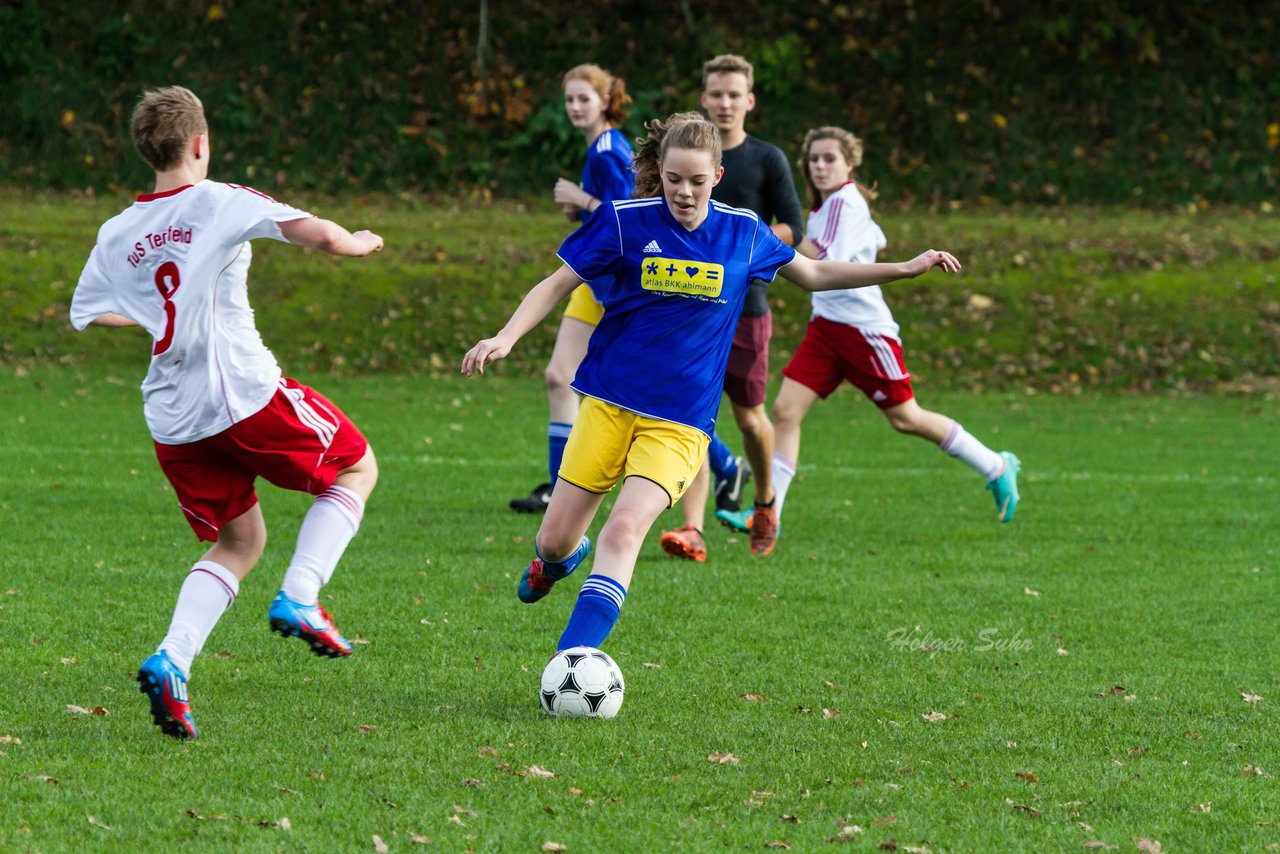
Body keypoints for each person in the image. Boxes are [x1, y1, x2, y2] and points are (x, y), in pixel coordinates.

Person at [462, 112, 960, 657]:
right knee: (554, 540)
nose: (684, 191)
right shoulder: (626, 222)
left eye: (697, 181)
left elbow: (815, 273)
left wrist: (905, 268)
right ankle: (553, 561)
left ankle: (571, 660)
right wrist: (506, 336)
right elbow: (557, 282)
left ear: (717, 177)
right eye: (674, 178)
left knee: (624, 530)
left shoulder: (743, 233)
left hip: (679, 423)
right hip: (607, 404)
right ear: (661, 170)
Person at [69, 86, 384, 739]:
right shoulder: (219, 199)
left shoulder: (117, 231)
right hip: (240, 394)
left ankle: (172, 660)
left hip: (173, 421)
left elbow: (90, 312)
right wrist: (357, 242)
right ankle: (301, 593)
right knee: (356, 467)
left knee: (240, 540)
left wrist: (160, 319)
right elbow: (317, 235)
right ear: (200, 143)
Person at [717, 126, 1019, 547]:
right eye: (814, 160)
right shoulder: (825, 208)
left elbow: (826, 263)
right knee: (785, 411)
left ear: (849, 164)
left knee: (906, 418)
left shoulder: (845, 201)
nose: (820, 167)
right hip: (826, 330)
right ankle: (770, 515)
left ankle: (997, 466)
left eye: (829, 159)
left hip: (863, 331)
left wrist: (765, 238)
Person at [658, 54, 805, 562]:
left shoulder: (767, 159)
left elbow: (794, 230)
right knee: (691, 414)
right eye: (715, 94)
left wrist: (740, 252)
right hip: (688, 309)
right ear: (703, 98)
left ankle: (764, 500)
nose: (724, 102)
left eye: (733, 94)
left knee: (748, 420)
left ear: (749, 100)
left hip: (746, 308)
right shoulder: (686, 159)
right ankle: (692, 527)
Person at [510, 64, 636, 513]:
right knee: (558, 377)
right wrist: (580, 214)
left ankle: (720, 461)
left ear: (605, 102)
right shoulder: (598, 148)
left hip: (614, 286)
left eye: (584, 98)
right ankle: (556, 485)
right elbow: (603, 217)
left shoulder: (608, 151)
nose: (576, 107)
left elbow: (628, 216)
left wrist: (582, 201)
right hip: (592, 280)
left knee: (642, 390)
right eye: (569, 100)